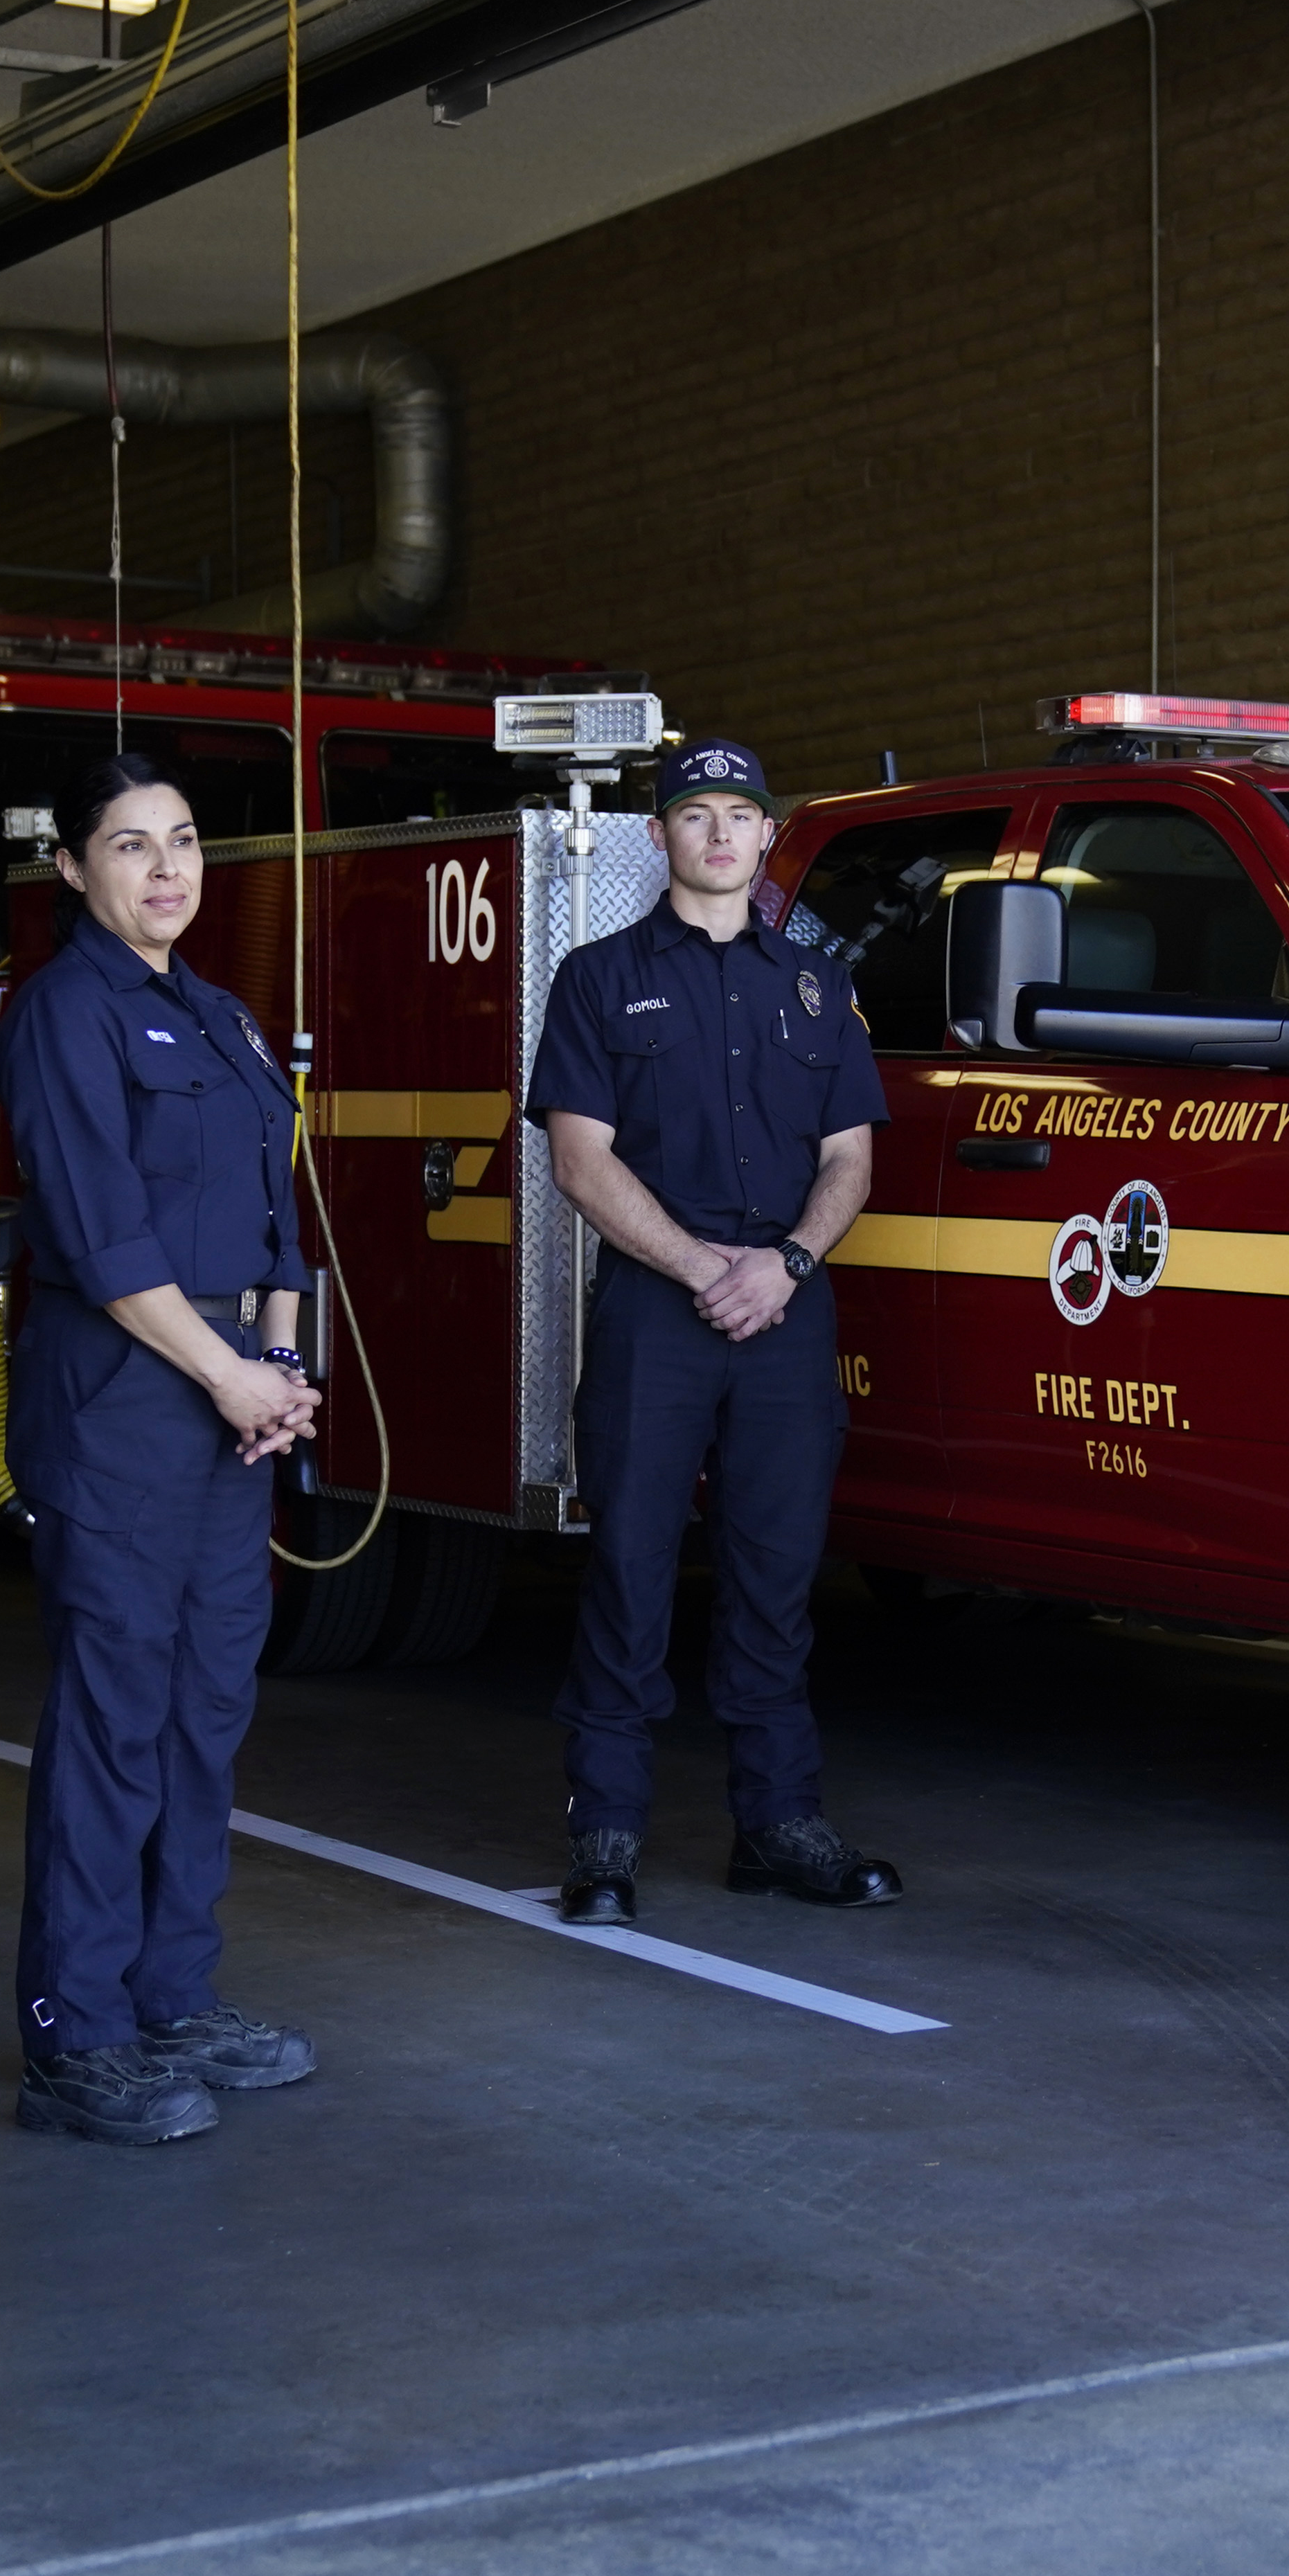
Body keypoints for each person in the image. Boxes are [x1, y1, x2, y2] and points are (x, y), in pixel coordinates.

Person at [0, 752, 326, 2146]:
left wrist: (283, 1367)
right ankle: (78, 2032)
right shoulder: (63, 1015)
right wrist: (230, 1375)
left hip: (226, 1394)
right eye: (128, 846)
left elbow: (275, 1226)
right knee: (115, 1713)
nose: (165, 870)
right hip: (124, 1394)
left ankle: (174, 1993)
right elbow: (103, 1240)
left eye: (182, 842)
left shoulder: (224, 1021)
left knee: (204, 1706)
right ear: (71, 869)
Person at [526, 737, 898, 1924]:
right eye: (698, 815)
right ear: (662, 838)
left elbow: (851, 1159)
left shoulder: (819, 988)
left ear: (763, 837)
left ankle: (778, 1826)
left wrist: (783, 1264)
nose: (722, 833)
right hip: (656, 1306)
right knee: (631, 1568)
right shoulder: (595, 978)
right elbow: (579, 1160)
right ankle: (607, 1838)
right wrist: (702, 1267)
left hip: (785, 1310)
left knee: (775, 1574)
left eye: (743, 814)